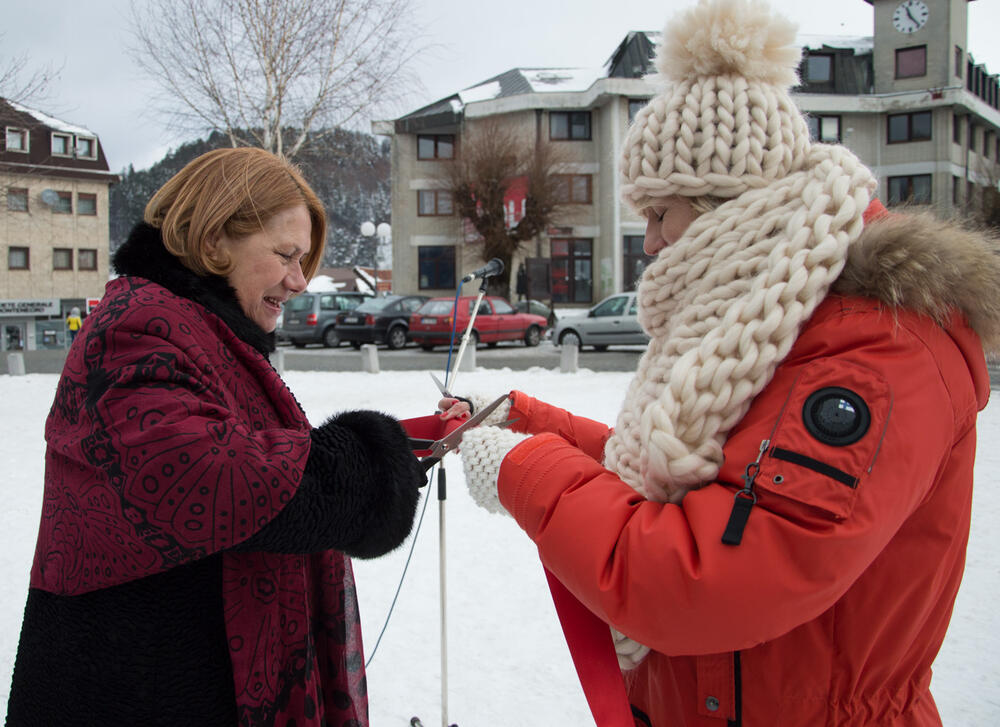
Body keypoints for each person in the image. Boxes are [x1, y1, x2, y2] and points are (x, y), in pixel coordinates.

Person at [441, 1, 1000, 725]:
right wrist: (528, 422)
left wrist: (519, 468)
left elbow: (697, 579)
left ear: (729, 208)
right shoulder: (772, 320)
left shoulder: (877, 350)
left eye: (663, 213)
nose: (651, 243)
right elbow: (684, 474)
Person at [6, 147, 425, 727]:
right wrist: (368, 472)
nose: (299, 281)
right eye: (285, 255)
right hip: (136, 687)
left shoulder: (197, 327)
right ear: (212, 242)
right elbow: (209, 480)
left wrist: (405, 449)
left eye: (303, 261)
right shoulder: (138, 324)